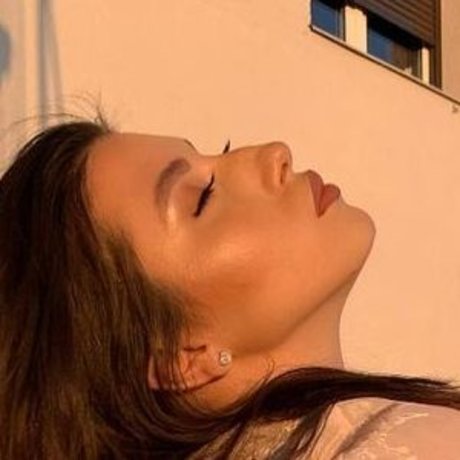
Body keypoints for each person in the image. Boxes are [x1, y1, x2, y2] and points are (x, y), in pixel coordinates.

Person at [0, 112, 459, 460]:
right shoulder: (406, 443)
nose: (275, 153)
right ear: (183, 358)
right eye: (205, 197)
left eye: (219, 151)